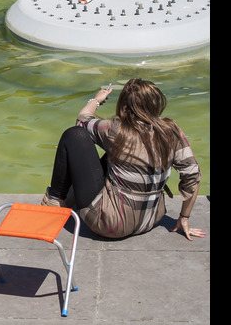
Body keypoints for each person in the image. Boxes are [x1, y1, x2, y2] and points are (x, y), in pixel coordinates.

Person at [41, 79, 205, 241]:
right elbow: (193, 175)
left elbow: (82, 121)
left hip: (110, 225)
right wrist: (184, 217)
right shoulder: (171, 131)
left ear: (125, 104)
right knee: (112, 155)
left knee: (74, 135)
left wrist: (97, 99)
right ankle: (70, 198)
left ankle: (55, 200)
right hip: (150, 220)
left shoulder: (116, 129)